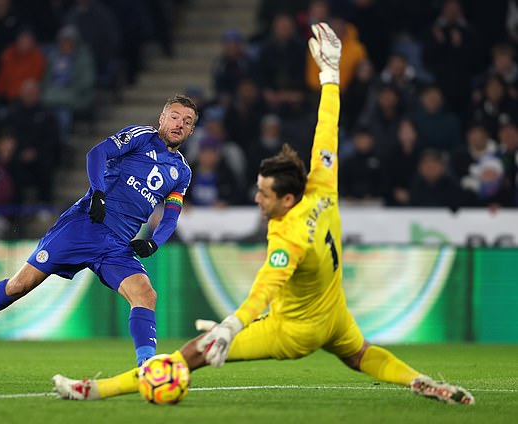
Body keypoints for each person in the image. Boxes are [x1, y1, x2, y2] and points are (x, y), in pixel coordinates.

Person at [52, 23, 475, 406]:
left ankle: (95, 390)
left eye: (265, 195)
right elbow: (327, 128)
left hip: (294, 331)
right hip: (335, 315)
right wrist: (330, 76)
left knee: (189, 355)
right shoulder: (324, 186)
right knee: (360, 353)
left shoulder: (288, 235)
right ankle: (419, 381)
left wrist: (229, 328)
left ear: (286, 200)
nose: (258, 199)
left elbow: (263, 290)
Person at [0, 94, 198, 366]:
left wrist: (155, 242)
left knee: (146, 294)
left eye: (187, 121)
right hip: (84, 226)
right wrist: (98, 194)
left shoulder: (182, 172)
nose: (179, 124)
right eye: (174, 116)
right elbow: (97, 153)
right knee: (20, 285)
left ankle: (146, 367)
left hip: (117, 245)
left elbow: (172, 214)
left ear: (191, 130)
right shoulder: (141, 136)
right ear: (162, 118)